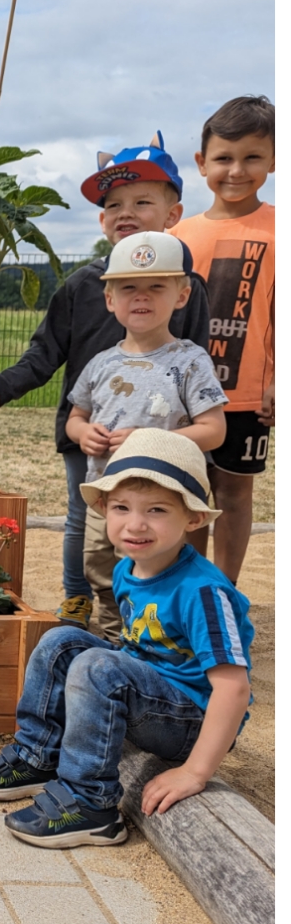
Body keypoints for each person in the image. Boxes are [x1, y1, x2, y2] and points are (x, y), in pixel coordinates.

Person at [0, 431, 252, 847]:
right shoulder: (128, 568)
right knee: (63, 639)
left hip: (192, 719)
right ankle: (39, 755)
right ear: (103, 509)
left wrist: (195, 771)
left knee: (98, 667)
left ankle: (91, 805)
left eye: (156, 510)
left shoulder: (202, 592)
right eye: (121, 507)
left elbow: (233, 687)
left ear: (194, 519)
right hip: (153, 693)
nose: (135, 524)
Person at [0, 138, 211, 625]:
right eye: (114, 205)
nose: (127, 212)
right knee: (86, 517)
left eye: (143, 201)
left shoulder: (186, 286)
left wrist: (179, 435)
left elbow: (198, 360)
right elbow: (44, 354)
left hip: (159, 439)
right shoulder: (83, 286)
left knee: (151, 517)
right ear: (101, 221)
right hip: (91, 433)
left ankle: (154, 607)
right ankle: (79, 597)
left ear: (172, 212)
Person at [65, 232, 228, 639]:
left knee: (148, 571)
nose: (142, 296)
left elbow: (214, 431)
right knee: (100, 569)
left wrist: (150, 441)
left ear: (182, 295)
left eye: (157, 286)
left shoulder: (190, 361)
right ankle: (108, 636)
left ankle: (148, 643)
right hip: (107, 496)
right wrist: (83, 432)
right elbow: (76, 416)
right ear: (110, 300)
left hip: (159, 501)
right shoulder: (101, 362)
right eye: (128, 288)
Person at [178, 96, 274, 585]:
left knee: (234, 498)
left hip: (247, 397)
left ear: (274, 159)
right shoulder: (178, 235)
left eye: (253, 157)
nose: (237, 170)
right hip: (182, 398)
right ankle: (189, 592)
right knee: (186, 497)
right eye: (223, 158)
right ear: (201, 164)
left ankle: (225, 592)